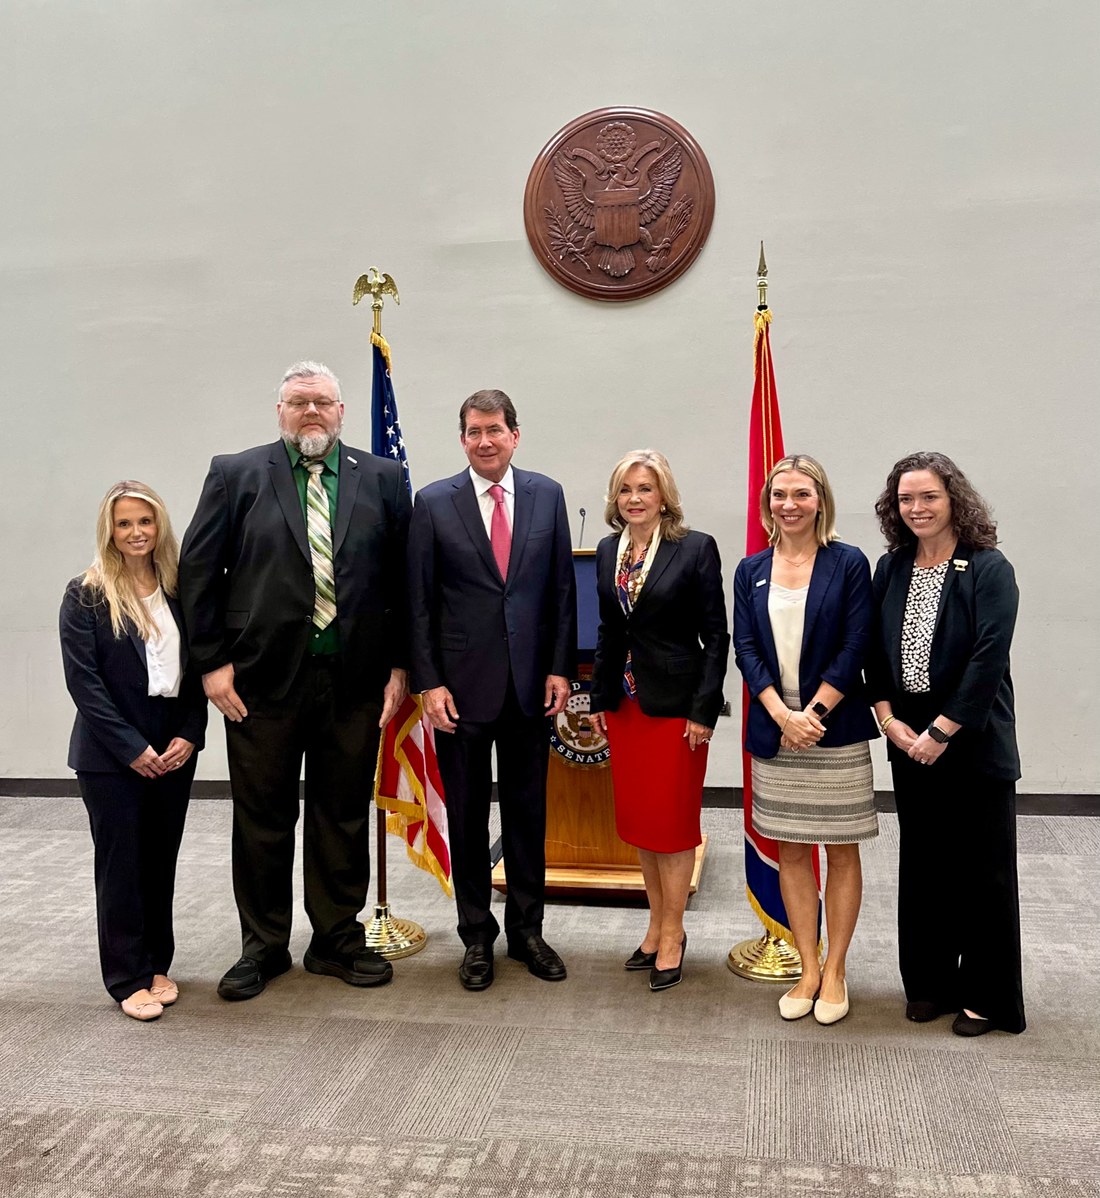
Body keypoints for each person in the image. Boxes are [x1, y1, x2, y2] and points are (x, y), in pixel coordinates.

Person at [179, 360, 410, 999]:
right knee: (263, 816)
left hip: (355, 680)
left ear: (341, 412)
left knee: (341, 814)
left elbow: (402, 581)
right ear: (279, 412)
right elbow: (200, 572)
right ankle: (264, 946)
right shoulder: (236, 474)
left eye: (323, 403)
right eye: (299, 402)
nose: (311, 412)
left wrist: (400, 665)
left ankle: (336, 940)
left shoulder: (384, 478)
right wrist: (211, 663)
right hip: (257, 681)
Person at [407, 389, 576, 991]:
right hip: (461, 693)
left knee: (529, 816)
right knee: (469, 817)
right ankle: (477, 936)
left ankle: (528, 930)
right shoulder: (432, 503)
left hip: (533, 688)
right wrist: (429, 683)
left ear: (515, 435)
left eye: (495, 430)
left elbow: (560, 590)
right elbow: (418, 604)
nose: (485, 440)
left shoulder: (546, 495)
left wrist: (560, 668)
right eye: (474, 431)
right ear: (463, 439)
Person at [868, 451, 1024, 1036]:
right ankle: (929, 984)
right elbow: (875, 653)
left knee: (981, 874)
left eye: (928, 496)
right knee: (926, 866)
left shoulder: (988, 567)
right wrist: (888, 718)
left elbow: (988, 659)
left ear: (954, 498)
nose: (917, 508)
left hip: (972, 745)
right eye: (906, 499)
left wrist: (941, 730)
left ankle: (986, 995)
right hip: (909, 744)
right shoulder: (893, 567)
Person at [733, 454, 879, 1025]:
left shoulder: (847, 563)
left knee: (840, 853)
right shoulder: (751, 569)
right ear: (767, 504)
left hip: (833, 732)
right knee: (791, 851)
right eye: (778, 495)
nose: (788, 505)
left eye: (800, 494)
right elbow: (745, 648)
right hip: (777, 734)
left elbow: (856, 644)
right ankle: (808, 966)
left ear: (821, 501)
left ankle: (837, 969)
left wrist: (812, 713)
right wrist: (781, 713)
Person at [60, 480, 207, 1021]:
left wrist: (191, 733)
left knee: (159, 861)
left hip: (172, 747)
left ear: (159, 526)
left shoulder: (177, 588)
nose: (136, 532)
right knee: (121, 864)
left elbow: (196, 671)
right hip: (110, 754)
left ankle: (156, 962)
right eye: (124, 523)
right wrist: (131, 748)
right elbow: (85, 685)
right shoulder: (86, 593)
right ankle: (125, 976)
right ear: (110, 531)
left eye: (144, 522)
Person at [589, 450, 729, 991]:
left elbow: (716, 637)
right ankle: (655, 925)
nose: (635, 498)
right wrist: (600, 698)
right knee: (644, 827)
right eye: (626, 489)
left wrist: (703, 710)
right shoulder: (608, 550)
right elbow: (608, 630)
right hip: (625, 708)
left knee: (672, 829)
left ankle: (674, 934)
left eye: (645, 488)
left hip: (675, 710)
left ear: (664, 495)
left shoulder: (693, 549)